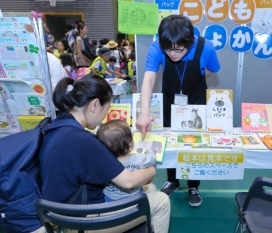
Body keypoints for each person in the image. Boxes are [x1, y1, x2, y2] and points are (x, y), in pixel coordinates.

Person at [35, 75, 170, 233]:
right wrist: (153, 169)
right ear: (95, 105)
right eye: (107, 109)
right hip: (83, 221)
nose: (106, 116)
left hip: (60, 213)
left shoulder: (57, 126)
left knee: (150, 187)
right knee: (161, 200)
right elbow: (128, 182)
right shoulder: (86, 141)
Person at [136, 15, 220, 207]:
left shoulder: (205, 47)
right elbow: (148, 80)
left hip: (196, 101)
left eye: (178, 49)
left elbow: (211, 70)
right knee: (170, 141)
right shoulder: (157, 47)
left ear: (188, 42)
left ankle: (193, 185)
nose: (172, 54)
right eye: (168, 49)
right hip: (170, 99)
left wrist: (197, 77)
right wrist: (144, 113)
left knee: (193, 144)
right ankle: (172, 180)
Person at [96, 119, 157, 202]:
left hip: (109, 201)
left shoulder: (104, 162)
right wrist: (150, 151)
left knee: (151, 187)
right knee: (157, 194)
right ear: (129, 143)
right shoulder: (139, 159)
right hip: (134, 198)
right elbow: (152, 159)